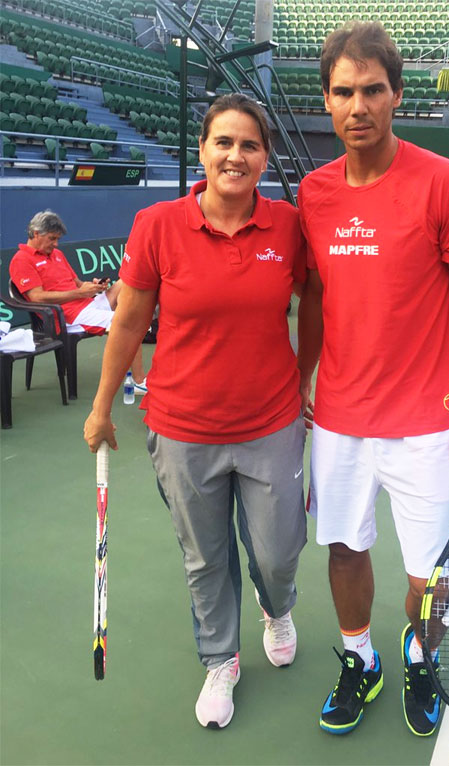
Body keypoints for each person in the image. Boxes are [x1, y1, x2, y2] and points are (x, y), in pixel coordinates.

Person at [297, 21, 449, 737]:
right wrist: (303, 378)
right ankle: (361, 661)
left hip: (426, 425)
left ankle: (419, 657)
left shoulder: (445, 183)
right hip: (338, 420)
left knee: (431, 571)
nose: (357, 107)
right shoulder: (314, 194)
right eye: (343, 92)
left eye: (372, 91)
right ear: (326, 101)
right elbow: (319, 298)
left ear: (397, 96)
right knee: (345, 550)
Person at [83, 94, 308, 730]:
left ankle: (277, 606)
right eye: (223, 143)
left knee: (277, 552)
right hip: (182, 429)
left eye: (249, 145)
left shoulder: (289, 225)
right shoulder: (157, 224)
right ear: (203, 150)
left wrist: (311, 379)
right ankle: (221, 659)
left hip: (272, 423)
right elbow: (128, 320)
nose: (235, 155)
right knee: (206, 557)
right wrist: (103, 408)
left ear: (264, 157)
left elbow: (318, 303)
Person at [9, 210, 146, 391]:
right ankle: (139, 382)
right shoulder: (21, 260)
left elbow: (79, 284)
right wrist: (80, 293)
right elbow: (37, 297)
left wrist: (94, 286)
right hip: (66, 317)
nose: (56, 244)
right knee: (129, 322)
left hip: (86, 305)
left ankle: (118, 323)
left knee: (126, 281)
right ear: (36, 234)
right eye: (52, 238)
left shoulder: (57, 254)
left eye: (57, 239)